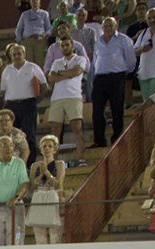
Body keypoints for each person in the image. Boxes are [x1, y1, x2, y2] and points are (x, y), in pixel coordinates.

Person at [92, 17, 138, 147]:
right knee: (97, 111)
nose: (107, 28)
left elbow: (131, 60)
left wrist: (123, 72)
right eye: (105, 26)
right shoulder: (98, 41)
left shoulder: (124, 40)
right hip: (100, 78)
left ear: (115, 26)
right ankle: (99, 141)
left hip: (116, 78)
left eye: (110, 25)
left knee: (117, 109)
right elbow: (95, 60)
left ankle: (117, 139)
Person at [48, 35, 90, 167]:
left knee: (77, 128)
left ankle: (81, 158)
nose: (65, 47)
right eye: (62, 45)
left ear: (72, 45)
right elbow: (51, 78)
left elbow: (77, 72)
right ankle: (53, 162)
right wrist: (67, 73)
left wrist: (60, 74)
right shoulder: (56, 62)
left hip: (73, 96)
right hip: (57, 98)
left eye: (67, 45)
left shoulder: (80, 59)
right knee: (55, 130)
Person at [26, 135, 66, 244]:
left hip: (53, 195)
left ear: (55, 149)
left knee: (55, 235)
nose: (47, 148)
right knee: (40, 236)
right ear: (41, 149)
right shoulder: (35, 165)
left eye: (50, 146)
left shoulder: (59, 164)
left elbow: (58, 184)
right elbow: (32, 186)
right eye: (44, 146)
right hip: (38, 196)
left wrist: (47, 173)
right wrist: (40, 175)